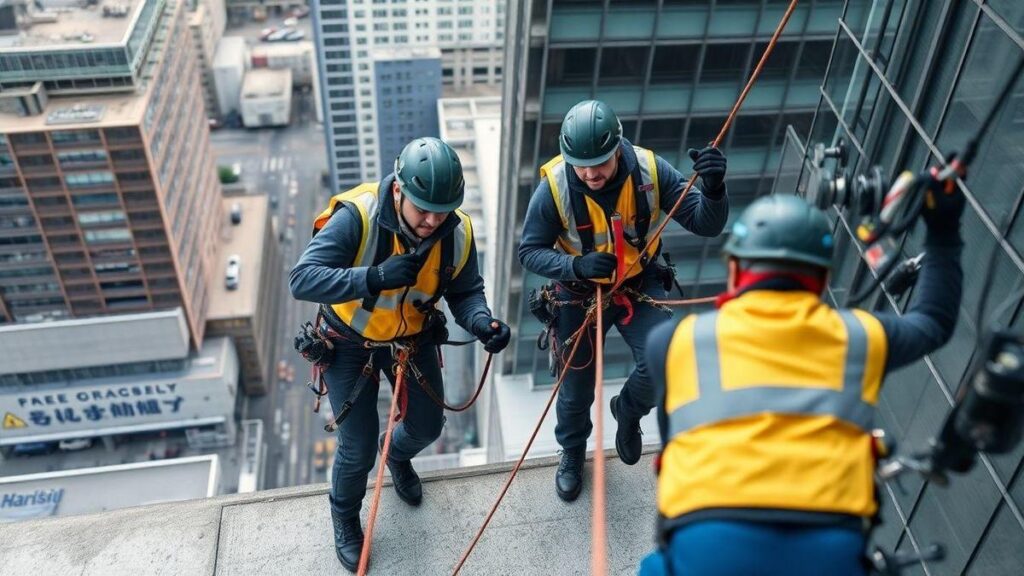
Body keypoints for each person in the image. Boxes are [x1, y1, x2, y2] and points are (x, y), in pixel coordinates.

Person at [641, 186, 965, 575]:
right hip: (829, 545)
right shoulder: (859, 336)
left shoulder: (674, 341)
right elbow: (933, 322)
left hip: (708, 541)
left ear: (734, 269)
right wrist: (944, 228)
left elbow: (673, 442)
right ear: (822, 277)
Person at [289, 137, 511, 572]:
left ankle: (398, 455)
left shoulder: (458, 232)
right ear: (398, 191)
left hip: (413, 339)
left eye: (441, 210)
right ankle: (345, 517)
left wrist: (483, 322)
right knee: (356, 447)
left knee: (428, 425)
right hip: (349, 341)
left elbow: (465, 292)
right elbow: (303, 279)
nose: (431, 220)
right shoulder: (358, 218)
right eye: (422, 208)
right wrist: (371, 278)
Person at [518, 99, 730, 501]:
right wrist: (576, 266)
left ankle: (628, 411)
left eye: (599, 162)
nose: (591, 173)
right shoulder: (556, 188)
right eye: (581, 165)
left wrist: (714, 190)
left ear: (618, 148)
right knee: (576, 388)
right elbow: (529, 251)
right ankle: (573, 450)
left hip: (638, 281)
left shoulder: (650, 171)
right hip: (579, 293)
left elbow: (705, 224)